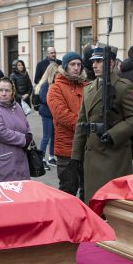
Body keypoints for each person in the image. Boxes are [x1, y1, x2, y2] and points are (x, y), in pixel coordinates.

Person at [72, 47, 133, 203]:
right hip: (92, 154)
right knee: (93, 201)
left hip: (113, 155)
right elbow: (82, 123)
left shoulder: (123, 86)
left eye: (99, 61)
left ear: (110, 63)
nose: (94, 65)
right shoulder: (89, 88)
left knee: (112, 203)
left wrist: (114, 134)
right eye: (93, 62)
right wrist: (76, 155)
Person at [47, 52, 88, 199]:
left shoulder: (87, 86)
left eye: (78, 64)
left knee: (87, 188)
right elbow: (61, 115)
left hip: (86, 146)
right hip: (67, 148)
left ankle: (85, 220)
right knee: (68, 190)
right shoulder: (55, 88)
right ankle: (66, 221)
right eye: (72, 64)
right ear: (65, 66)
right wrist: (85, 126)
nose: (76, 68)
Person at [0, 77, 32, 182]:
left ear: (12, 92)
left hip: (20, 160)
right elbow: (0, 132)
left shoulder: (17, 106)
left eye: (7, 90)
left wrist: (29, 134)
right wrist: (24, 139)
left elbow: (26, 125)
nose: (4, 93)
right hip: (1, 161)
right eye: (1, 90)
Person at [34, 62, 59, 168]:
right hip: (46, 114)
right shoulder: (46, 84)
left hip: (53, 114)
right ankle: (42, 159)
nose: (58, 74)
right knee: (46, 137)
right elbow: (44, 99)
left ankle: (51, 157)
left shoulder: (54, 83)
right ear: (52, 72)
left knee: (54, 137)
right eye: (56, 72)